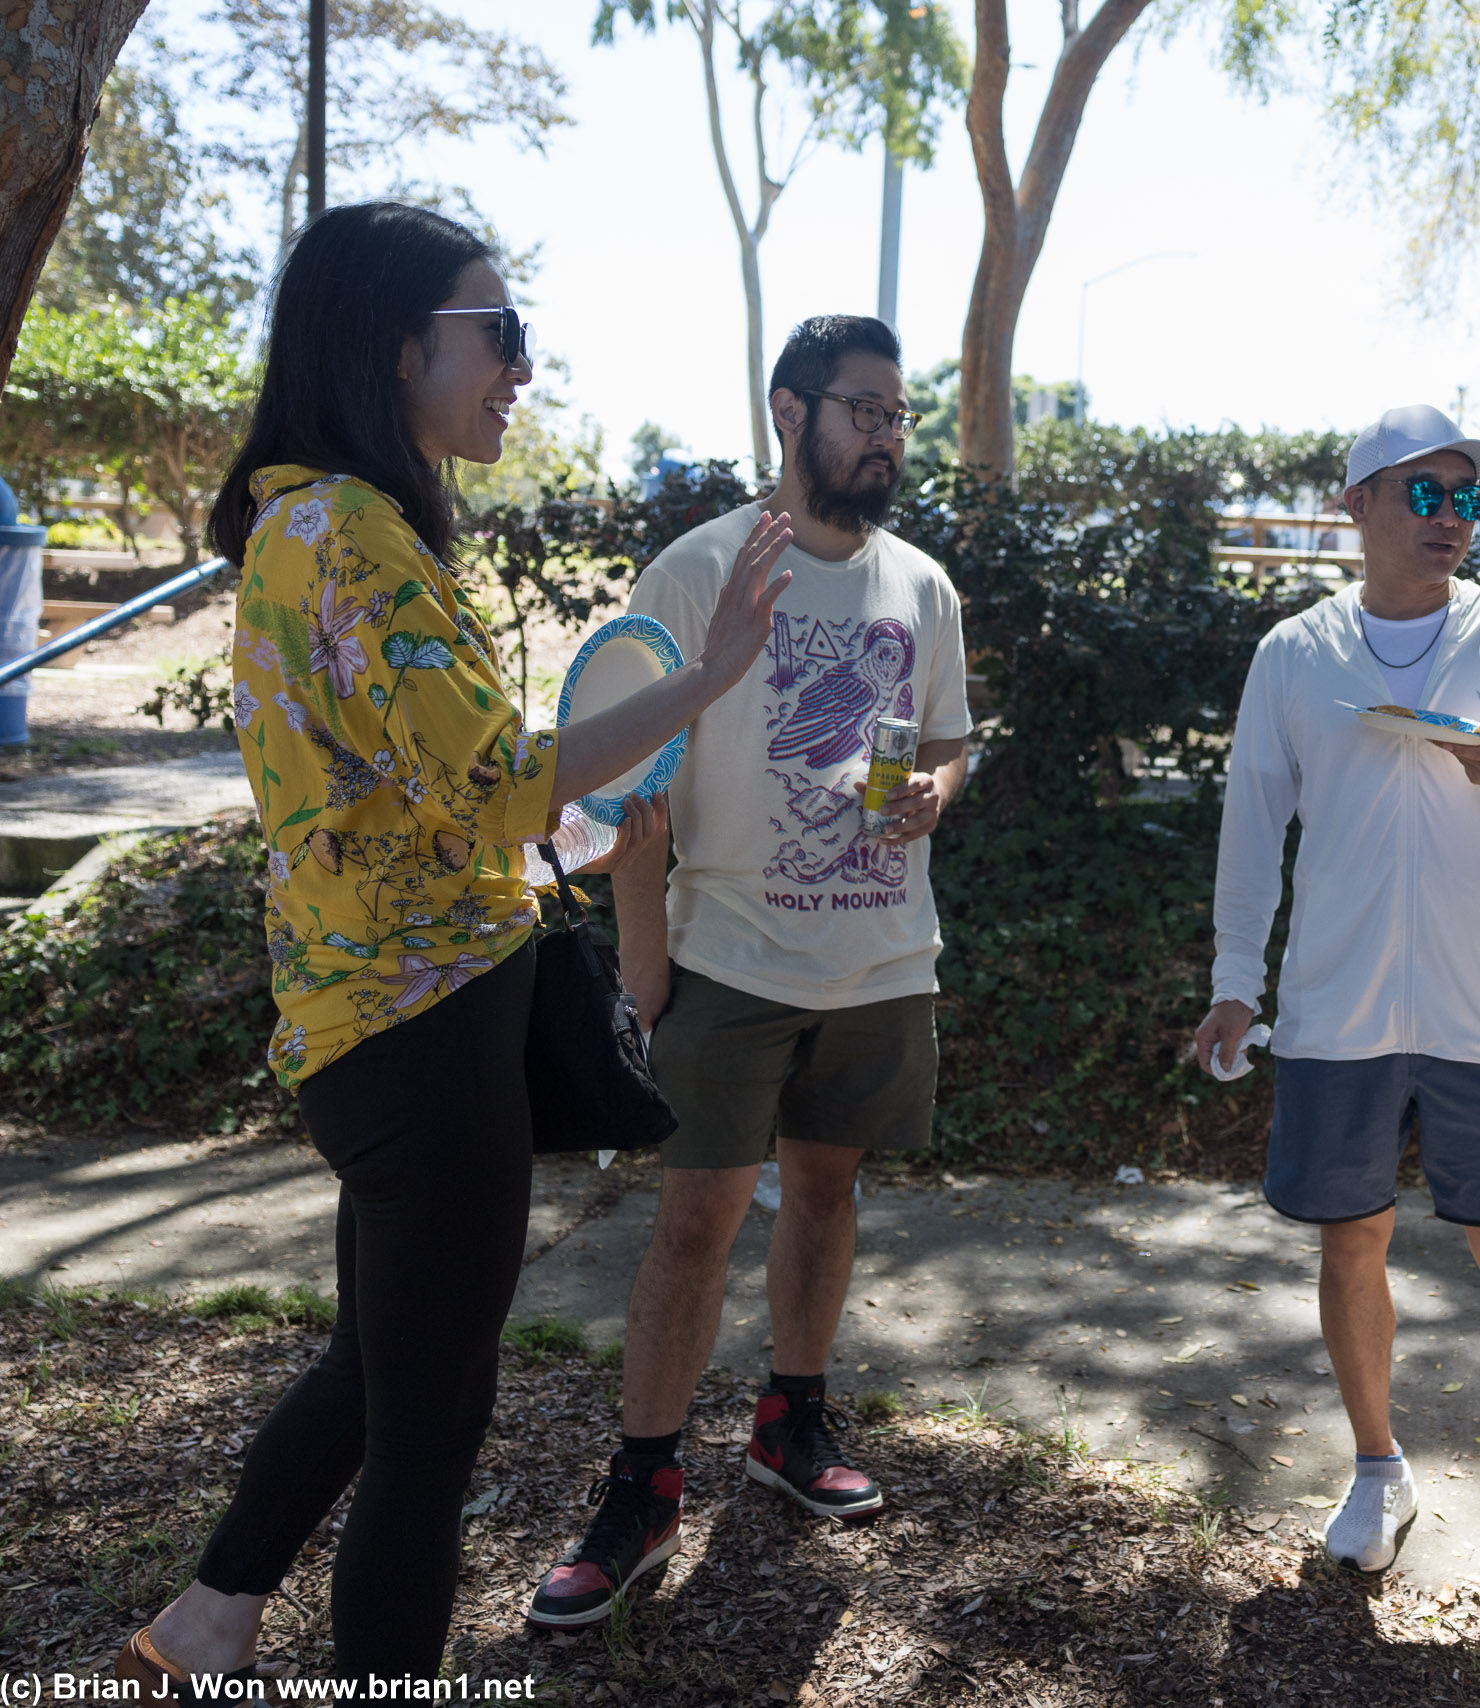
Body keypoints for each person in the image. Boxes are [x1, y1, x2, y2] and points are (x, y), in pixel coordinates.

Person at [114, 202, 794, 1693]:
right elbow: (497, 787)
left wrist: (574, 809)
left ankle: (213, 1619)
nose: (524, 371)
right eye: (502, 335)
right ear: (397, 342)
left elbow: (437, 795)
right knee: (428, 1438)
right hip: (423, 1041)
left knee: (379, 1366)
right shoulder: (352, 537)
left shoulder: (308, 525)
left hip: (376, 1022)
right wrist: (703, 682)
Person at [526, 315, 971, 1629]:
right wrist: (645, 967)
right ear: (790, 413)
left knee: (826, 1193)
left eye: (899, 414)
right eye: (863, 410)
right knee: (696, 1216)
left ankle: (792, 1420)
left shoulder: (922, 587)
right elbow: (623, 793)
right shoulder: (698, 571)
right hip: (729, 958)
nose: (886, 435)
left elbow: (948, 741)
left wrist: (934, 796)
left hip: (882, 959)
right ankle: (642, 1486)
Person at [1191, 404, 1480, 1604]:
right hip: (1335, 1006)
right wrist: (1238, 980)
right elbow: (1252, 824)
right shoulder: (1294, 654)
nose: (1451, 519)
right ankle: (1377, 1471)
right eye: (1424, 495)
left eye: (1466, 498)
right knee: (1352, 1238)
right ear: (1358, 507)